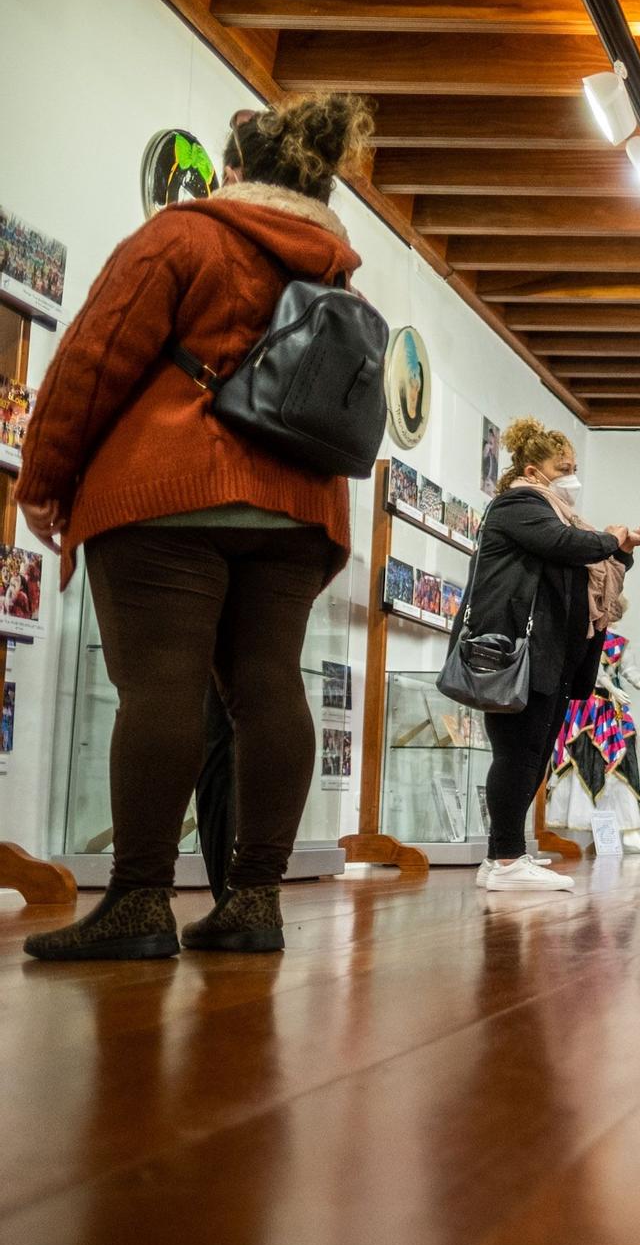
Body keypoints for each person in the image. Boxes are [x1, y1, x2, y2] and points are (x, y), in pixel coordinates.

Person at [17, 94, 375, 960]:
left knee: (161, 690)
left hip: (170, 489)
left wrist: (44, 481)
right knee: (267, 686)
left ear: (233, 168)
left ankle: (139, 904)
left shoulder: (183, 237)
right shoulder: (333, 270)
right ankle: (254, 900)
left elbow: (92, 361)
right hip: (296, 511)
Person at [461, 418, 640, 891]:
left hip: (550, 655)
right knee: (517, 752)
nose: (571, 475)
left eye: (574, 466)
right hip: (517, 653)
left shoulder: (554, 513)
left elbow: (579, 567)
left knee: (533, 753)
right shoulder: (519, 504)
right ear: (533, 469)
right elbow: (568, 547)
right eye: (562, 467)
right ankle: (508, 860)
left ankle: (501, 855)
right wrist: (612, 538)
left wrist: (622, 549)